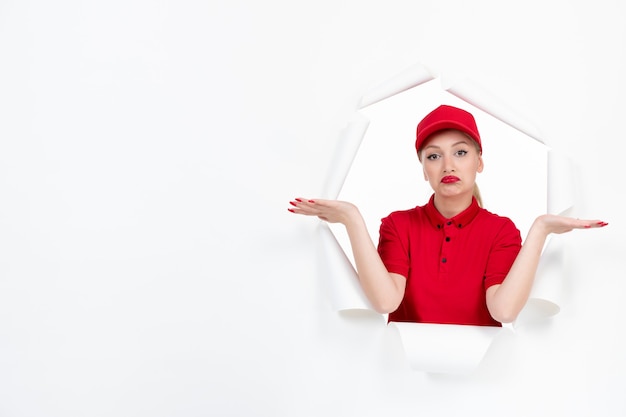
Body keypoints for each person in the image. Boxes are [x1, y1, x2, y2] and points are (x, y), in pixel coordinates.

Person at [288, 104, 608, 326]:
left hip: (480, 376)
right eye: (433, 156)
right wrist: (352, 220)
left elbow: (504, 311)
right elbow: (386, 302)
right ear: (424, 169)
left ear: (479, 162)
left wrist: (539, 230)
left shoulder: (501, 231)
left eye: (460, 152)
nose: (448, 166)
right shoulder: (398, 225)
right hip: (400, 375)